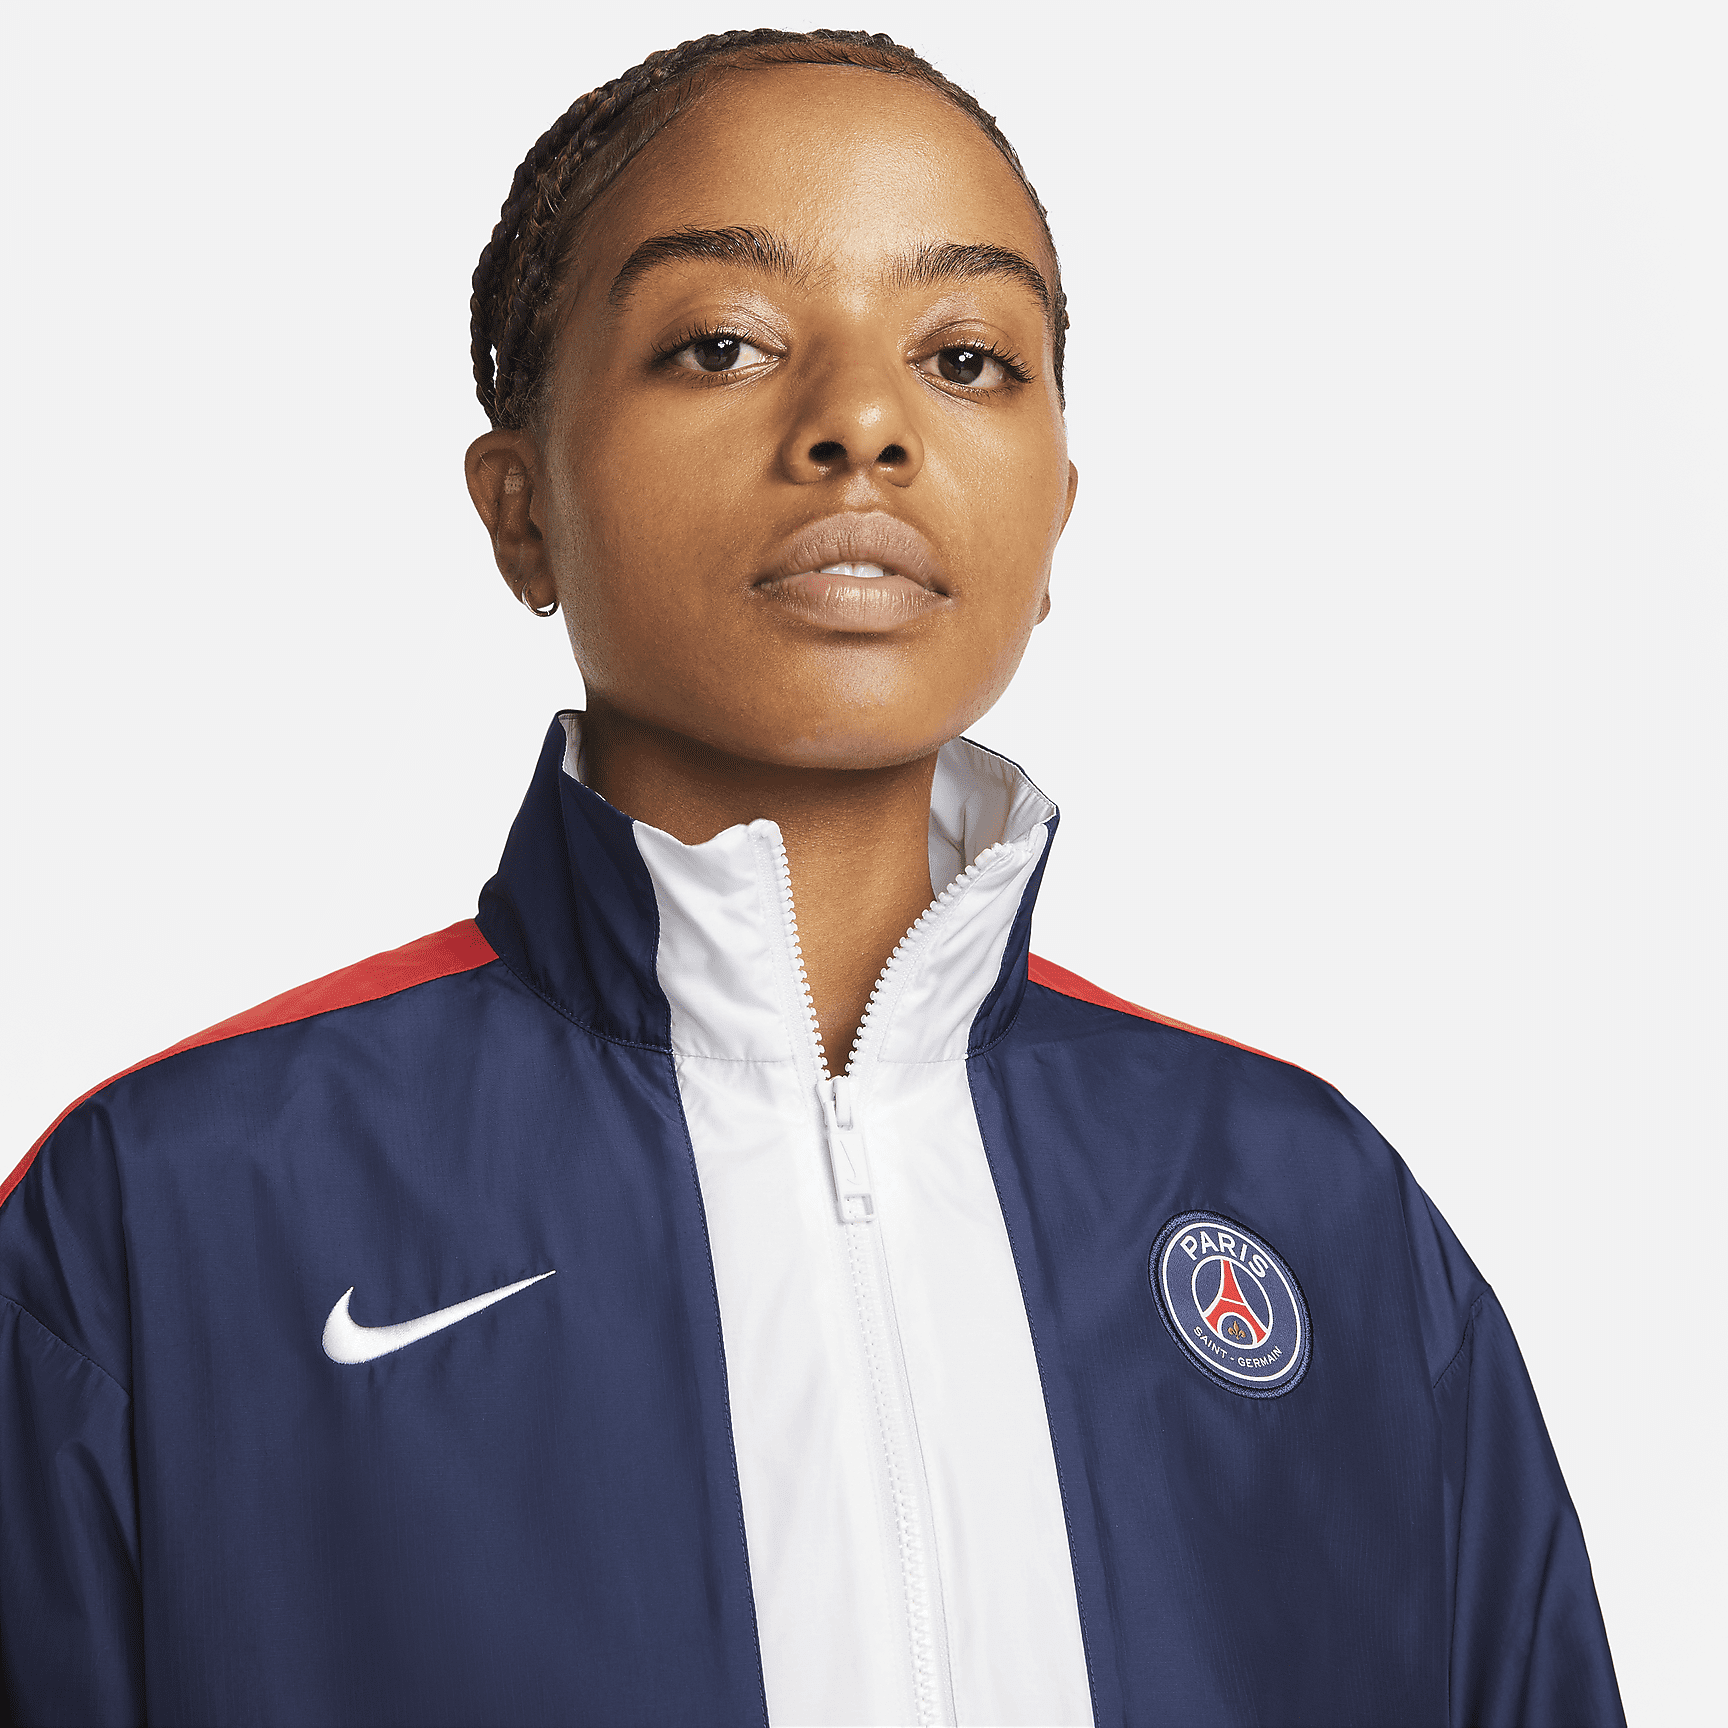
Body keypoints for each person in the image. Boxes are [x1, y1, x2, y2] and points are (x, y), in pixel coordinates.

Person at [0, 27, 1623, 1728]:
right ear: (519, 506)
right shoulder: (164, 1218)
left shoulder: (1319, 1214)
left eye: (967, 357)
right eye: (722, 343)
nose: (861, 424)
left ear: (1057, 513)